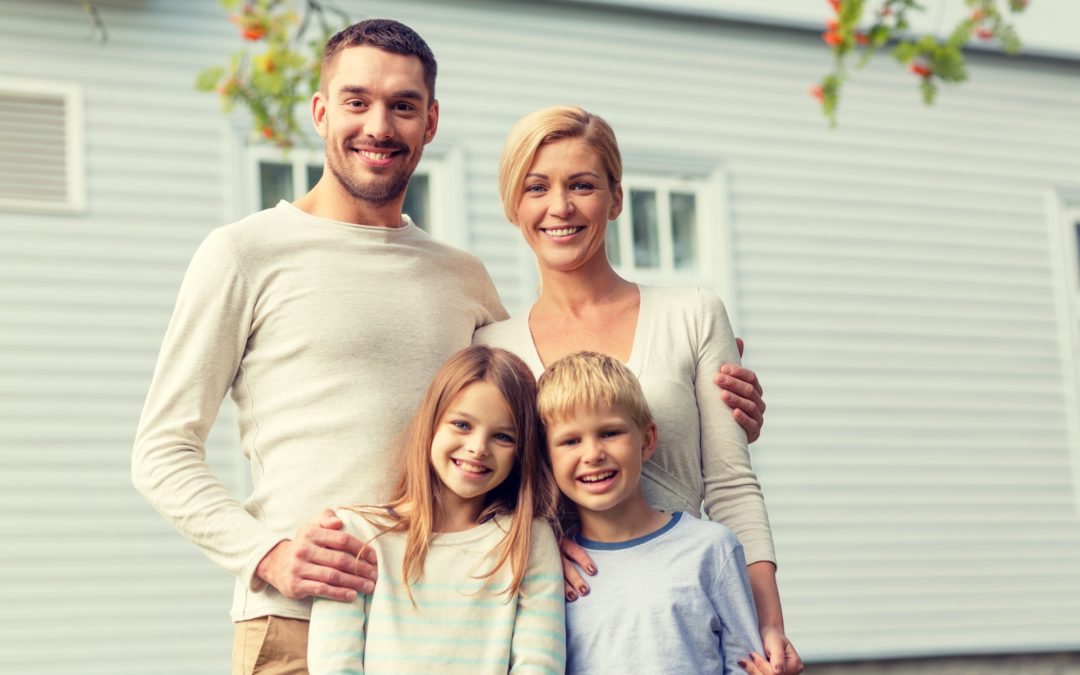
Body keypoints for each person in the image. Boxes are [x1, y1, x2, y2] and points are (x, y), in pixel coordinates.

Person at [132, 19, 765, 674]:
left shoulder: (461, 277)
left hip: (457, 629)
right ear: (321, 111)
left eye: (402, 106)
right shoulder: (243, 253)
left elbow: (536, 413)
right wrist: (268, 555)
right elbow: (161, 452)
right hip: (303, 616)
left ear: (429, 122)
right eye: (357, 101)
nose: (379, 125)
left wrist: (694, 394)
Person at [474, 105, 803, 674]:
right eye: (537, 187)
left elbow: (730, 482)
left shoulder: (692, 314)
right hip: (558, 623)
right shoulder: (491, 346)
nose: (561, 207)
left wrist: (767, 623)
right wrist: (540, 543)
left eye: (583, 185)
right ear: (513, 205)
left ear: (616, 198)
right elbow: (481, 493)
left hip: (681, 619)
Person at [307, 346, 565, 674]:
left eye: (503, 436)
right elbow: (334, 666)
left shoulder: (528, 540)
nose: (478, 447)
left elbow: (540, 665)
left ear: (522, 451)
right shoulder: (356, 534)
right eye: (462, 424)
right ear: (431, 424)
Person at [538, 350, 772, 674]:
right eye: (570, 441)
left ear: (646, 440)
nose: (592, 454)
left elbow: (746, 664)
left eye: (609, 433)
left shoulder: (711, 549)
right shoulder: (551, 571)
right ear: (547, 460)